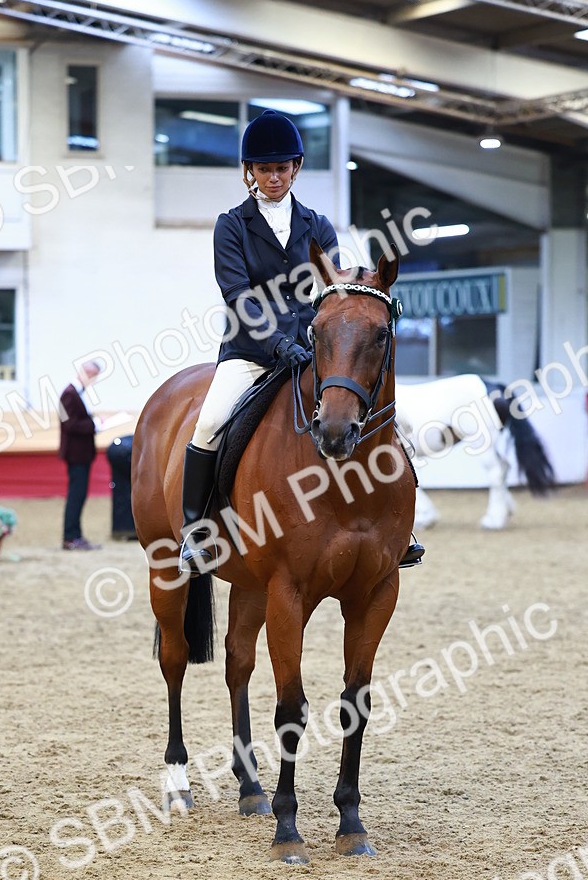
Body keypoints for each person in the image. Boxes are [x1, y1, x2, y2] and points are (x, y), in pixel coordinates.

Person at [178, 108, 424, 574]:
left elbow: (326, 296)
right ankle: (197, 532)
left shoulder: (318, 225)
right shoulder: (231, 225)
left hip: (312, 351)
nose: (274, 177)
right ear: (250, 172)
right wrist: (275, 344)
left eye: (282, 167)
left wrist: (317, 342)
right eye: (265, 168)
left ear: (296, 168)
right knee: (209, 422)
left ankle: (395, 526)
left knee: (380, 417)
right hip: (251, 352)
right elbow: (237, 294)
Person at [59, 359, 103, 551]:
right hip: (76, 453)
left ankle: (75, 535)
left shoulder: (75, 394)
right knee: (76, 496)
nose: (93, 381)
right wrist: (95, 426)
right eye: (93, 377)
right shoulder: (69, 395)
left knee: (79, 495)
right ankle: (70, 537)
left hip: (81, 453)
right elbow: (69, 424)